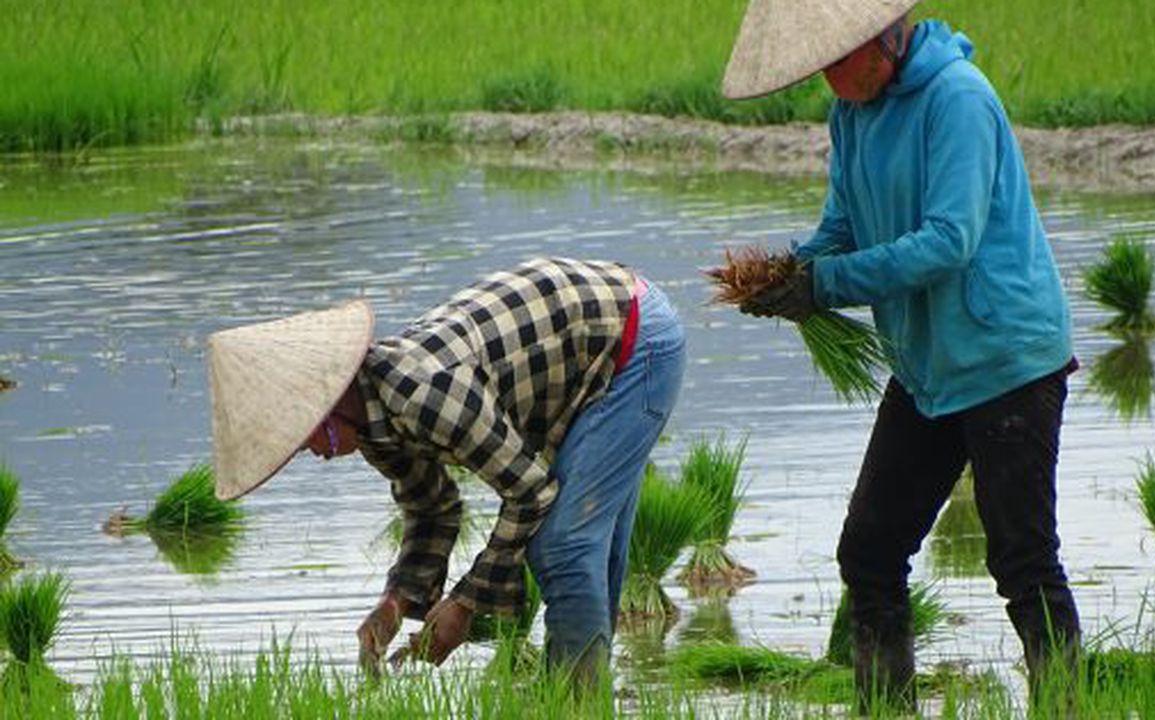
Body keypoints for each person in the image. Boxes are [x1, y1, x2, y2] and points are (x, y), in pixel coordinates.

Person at [722, 0, 1081, 708]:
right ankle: (884, 706)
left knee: (1023, 560)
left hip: (1005, 360)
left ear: (882, 39)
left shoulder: (958, 100)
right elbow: (844, 227)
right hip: (925, 368)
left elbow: (950, 240)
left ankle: (1068, 704)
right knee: (870, 551)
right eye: (817, 67)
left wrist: (827, 284)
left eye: (836, 61)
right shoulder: (852, 112)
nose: (828, 78)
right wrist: (793, 273)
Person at [206, 256, 686, 682]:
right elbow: (432, 508)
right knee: (584, 552)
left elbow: (531, 493)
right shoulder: (375, 423)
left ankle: (575, 705)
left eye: (304, 436)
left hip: (633, 340)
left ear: (333, 406)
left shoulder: (422, 393)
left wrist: (465, 603)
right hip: (593, 343)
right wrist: (395, 603)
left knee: (563, 546)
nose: (308, 452)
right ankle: (582, 696)